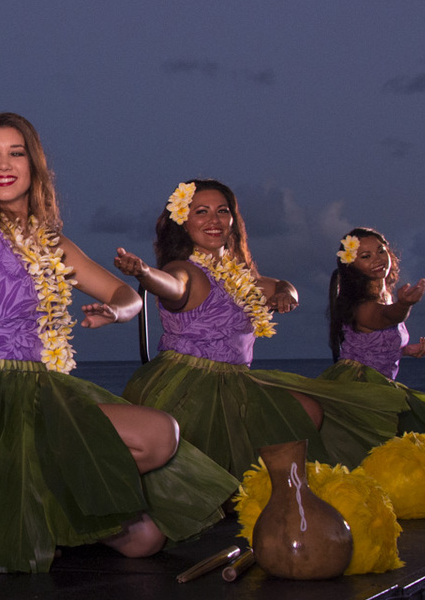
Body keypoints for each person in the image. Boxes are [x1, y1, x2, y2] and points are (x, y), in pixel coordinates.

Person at [0, 112, 236, 573]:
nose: (3, 164)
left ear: (34, 166)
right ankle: (27, 499)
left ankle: (46, 504)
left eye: (15, 153)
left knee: (147, 538)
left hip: (49, 390)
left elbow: (125, 294)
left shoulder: (54, 244)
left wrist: (116, 311)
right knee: (156, 445)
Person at [112, 180, 408, 477]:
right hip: (190, 381)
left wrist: (285, 294)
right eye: (201, 212)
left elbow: (282, 285)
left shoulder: (240, 276)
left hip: (237, 378)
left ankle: (277, 492)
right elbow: (172, 287)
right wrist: (144, 272)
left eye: (222, 211)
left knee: (309, 411)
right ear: (183, 222)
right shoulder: (184, 269)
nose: (214, 220)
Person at [322, 227, 425, 452]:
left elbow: (373, 344)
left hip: (381, 385)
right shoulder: (362, 306)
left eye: (381, 251)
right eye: (366, 256)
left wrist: (405, 350)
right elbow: (387, 317)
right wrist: (404, 305)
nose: (378, 260)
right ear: (351, 266)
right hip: (360, 389)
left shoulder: (385, 295)